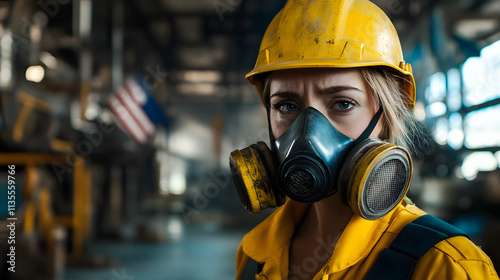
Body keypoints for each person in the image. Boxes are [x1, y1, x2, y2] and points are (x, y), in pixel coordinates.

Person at [229, 0, 500, 279]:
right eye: (286, 106)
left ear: (386, 114)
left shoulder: (445, 266)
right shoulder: (254, 254)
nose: (307, 134)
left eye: (343, 104)